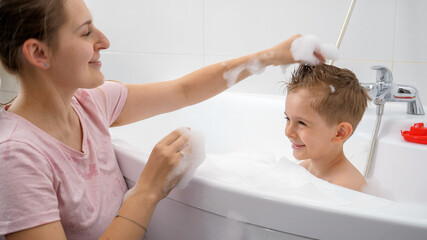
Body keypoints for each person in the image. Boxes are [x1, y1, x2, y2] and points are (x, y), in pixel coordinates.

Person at [0, 0, 325, 239]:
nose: (104, 41)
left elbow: (183, 90)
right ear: (39, 53)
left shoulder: (89, 104)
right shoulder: (17, 157)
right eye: (86, 32)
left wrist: (270, 57)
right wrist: (148, 191)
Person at [284, 64, 370, 192]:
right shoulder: (303, 170)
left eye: (301, 123)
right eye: (288, 119)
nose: (288, 132)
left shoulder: (349, 188)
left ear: (340, 133)